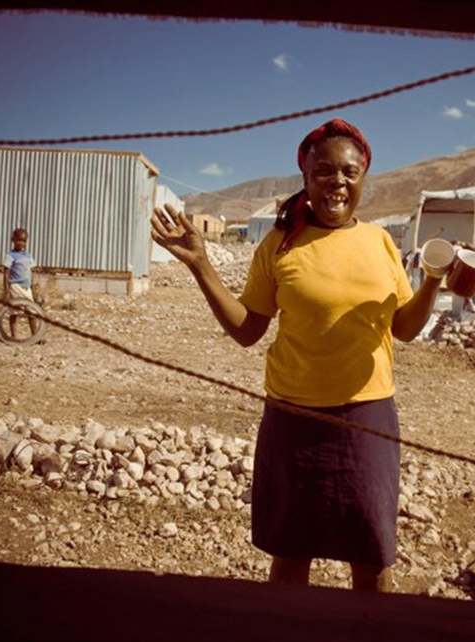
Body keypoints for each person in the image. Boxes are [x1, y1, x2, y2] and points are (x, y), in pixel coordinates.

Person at [150, 118, 444, 592]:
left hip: (366, 420)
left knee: (370, 560)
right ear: (306, 179)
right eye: (324, 171)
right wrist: (202, 266)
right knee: (290, 556)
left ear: (364, 176)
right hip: (293, 420)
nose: (337, 182)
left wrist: (433, 279)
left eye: (349, 172)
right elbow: (248, 331)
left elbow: (405, 329)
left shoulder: (381, 243)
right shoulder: (279, 245)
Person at [2, 227, 39, 339]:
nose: (21, 243)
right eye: (19, 240)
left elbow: (31, 271)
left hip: (26, 287)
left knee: (31, 311)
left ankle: (35, 336)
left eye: (24, 241)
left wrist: (33, 287)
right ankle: (13, 336)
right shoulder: (10, 256)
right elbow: (5, 273)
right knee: (14, 312)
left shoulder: (28, 255)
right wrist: (7, 291)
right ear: (13, 240)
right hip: (15, 286)